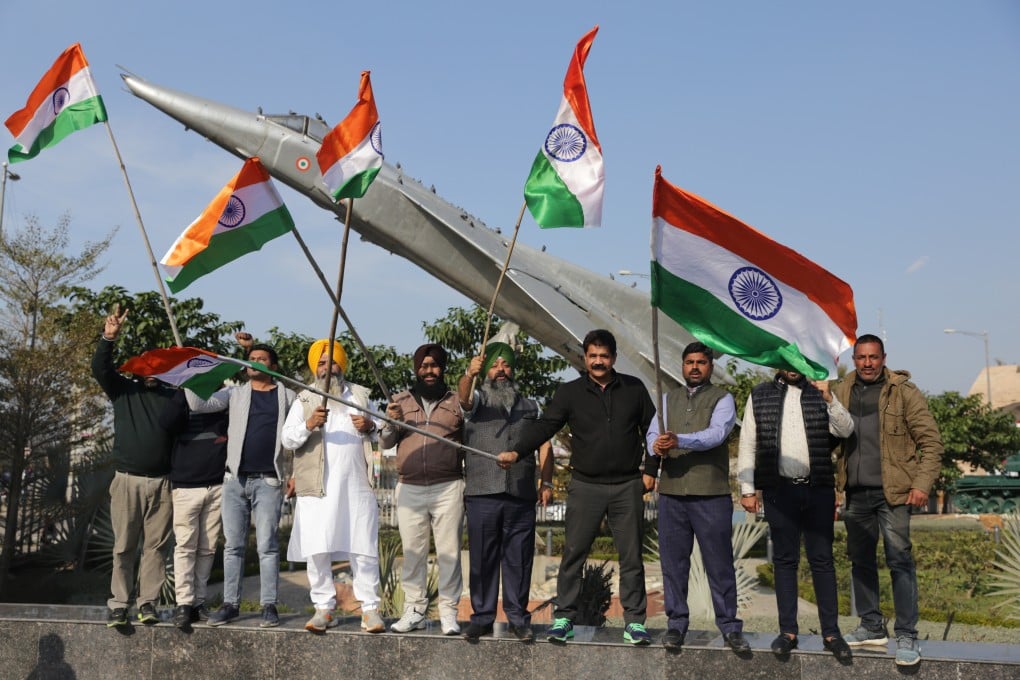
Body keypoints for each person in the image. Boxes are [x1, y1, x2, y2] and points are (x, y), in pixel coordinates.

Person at [503, 329, 655, 646]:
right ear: (585, 357)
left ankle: (635, 623)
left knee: (631, 557)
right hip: (586, 485)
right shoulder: (569, 392)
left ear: (613, 357)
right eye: (593, 356)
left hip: (628, 485)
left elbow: (653, 430)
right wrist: (517, 451)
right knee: (573, 554)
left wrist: (651, 470)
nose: (598, 362)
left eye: (604, 356)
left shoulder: (634, 389)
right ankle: (564, 619)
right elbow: (546, 426)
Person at [830, 334, 944, 667]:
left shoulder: (904, 392)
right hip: (855, 492)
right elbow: (829, 437)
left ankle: (907, 634)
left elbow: (931, 443)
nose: (867, 363)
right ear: (854, 359)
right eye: (861, 357)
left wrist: (921, 484)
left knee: (899, 561)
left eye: (873, 357)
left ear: (883, 358)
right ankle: (870, 625)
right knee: (860, 560)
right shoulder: (841, 391)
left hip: (894, 494)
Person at [736, 369, 855, 660]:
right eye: (786, 360)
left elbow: (846, 430)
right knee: (785, 561)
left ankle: (831, 633)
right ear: (779, 362)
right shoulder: (760, 394)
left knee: (822, 560)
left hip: (818, 490)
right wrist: (748, 488)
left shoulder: (820, 392)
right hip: (780, 491)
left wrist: (829, 398)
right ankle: (787, 632)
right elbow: (749, 442)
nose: (792, 367)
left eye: (797, 360)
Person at [645, 342, 748, 653]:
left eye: (701, 362)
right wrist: (656, 446)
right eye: (689, 362)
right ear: (681, 365)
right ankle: (676, 624)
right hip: (673, 494)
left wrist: (678, 440)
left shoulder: (723, 399)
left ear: (710, 366)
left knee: (719, 563)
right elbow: (651, 434)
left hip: (710, 495)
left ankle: (729, 626)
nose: (694, 367)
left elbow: (717, 434)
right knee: (673, 564)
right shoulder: (667, 398)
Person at [187, 332, 296, 628]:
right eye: (250, 360)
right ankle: (230, 604)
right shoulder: (235, 393)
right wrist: (193, 376)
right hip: (235, 480)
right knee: (233, 546)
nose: (254, 363)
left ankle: (269, 606)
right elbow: (199, 404)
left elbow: (300, 436)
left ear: (273, 365)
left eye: (262, 359)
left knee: (267, 546)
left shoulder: (287, 395)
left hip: (269, 481)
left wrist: (294, 473)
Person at [281, 340, 385, 634]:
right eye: (322, 363)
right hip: (317, 487)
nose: (328, 368)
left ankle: (370, 610)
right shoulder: (304, 399)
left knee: (363, 548)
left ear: (342, 365)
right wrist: (309, 423)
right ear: (315, 368)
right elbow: (287, 440)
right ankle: (323, 608)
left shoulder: (361, 396)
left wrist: (370, 426)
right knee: (317, 547)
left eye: (333, 362)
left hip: (356, 484)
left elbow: (384, 432)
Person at [456, 342, 553, 643]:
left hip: (521, 494)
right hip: (483, 492)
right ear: (486, 371)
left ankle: (517, 618)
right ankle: (482, 618)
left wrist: (546, 482)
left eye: (506, 365)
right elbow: (462, 398)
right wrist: (468, 375)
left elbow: (545, 444)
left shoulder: (531, 406)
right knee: (483, 559)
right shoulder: (478, 400)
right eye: (495, 365)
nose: (501, 370)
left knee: (519, 560)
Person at [92, 304, 176, 628]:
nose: (152, 371)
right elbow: (101, 369)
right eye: (147, 365)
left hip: (163, 483)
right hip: (127, 481)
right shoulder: (123, 390)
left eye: (158, 366)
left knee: (156, 548)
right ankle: (119, 604)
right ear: (138, 367)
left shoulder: (172, 396)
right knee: (124, 546)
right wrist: (108, 339)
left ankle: (148, 603)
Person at [381, 343, 465, 635]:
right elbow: (385, 442)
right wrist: (391, 421)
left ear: (443, 368)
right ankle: (414, 610)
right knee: (413, 552)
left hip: (449, 486)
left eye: (435, 365)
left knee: (449, 553)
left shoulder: (457, 402)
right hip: (410, 487)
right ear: (416, 368)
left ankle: (449, 613)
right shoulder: (399, 401)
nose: (429, 371)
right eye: (424, 366)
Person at [159, 389, 228, 629]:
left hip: (217, 484)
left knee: (207, 548)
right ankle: (184, 604)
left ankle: (199, 602)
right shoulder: (179, 399)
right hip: (186, 485)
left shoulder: (222, 400)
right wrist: (183, 393)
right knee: (185, 547)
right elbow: (166, 423)